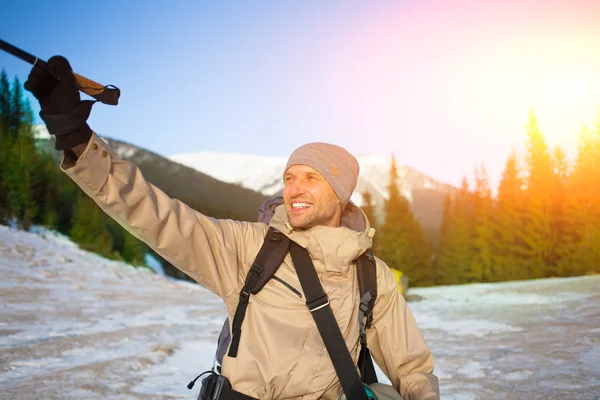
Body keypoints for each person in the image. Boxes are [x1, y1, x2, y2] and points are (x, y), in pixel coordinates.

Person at [25, 56, 440, 400]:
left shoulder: (371, 275)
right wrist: (74, 134)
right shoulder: (249, 248)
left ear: (341, 193)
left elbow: (412, 368)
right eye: (290, 177)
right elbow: (155, 214)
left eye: (312, 178)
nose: (294, 188)